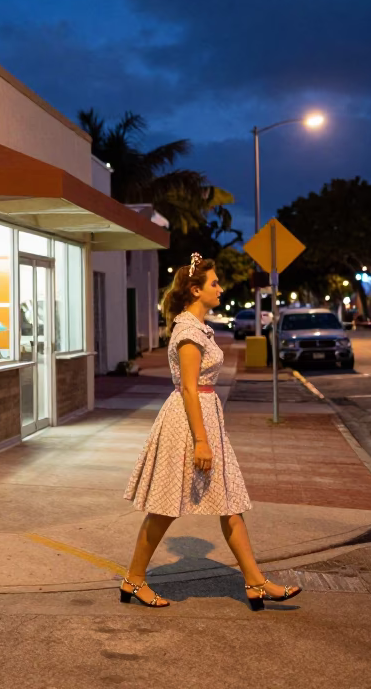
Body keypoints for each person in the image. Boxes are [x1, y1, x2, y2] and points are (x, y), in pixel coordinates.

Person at [119, 253, 302, 611]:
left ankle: (255, 582)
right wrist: (201, 441)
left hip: (206, 419)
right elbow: (189, 388)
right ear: (194, 289)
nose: (220, 288)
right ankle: (134, 580)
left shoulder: (199, 328)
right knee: (165, 507)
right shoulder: (188, 331)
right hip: (189, 424)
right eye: (214, 283)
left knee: (231, 503)